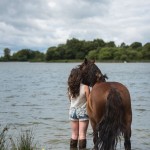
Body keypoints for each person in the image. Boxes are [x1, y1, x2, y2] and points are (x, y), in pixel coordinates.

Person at [67, 67, 90, 149]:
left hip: (72, 111)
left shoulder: (70, 87)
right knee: (82, 134)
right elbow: (89, 101)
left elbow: (70, 100)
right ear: (80, 76)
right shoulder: (85, 87)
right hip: (83, 111)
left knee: (74, 134)